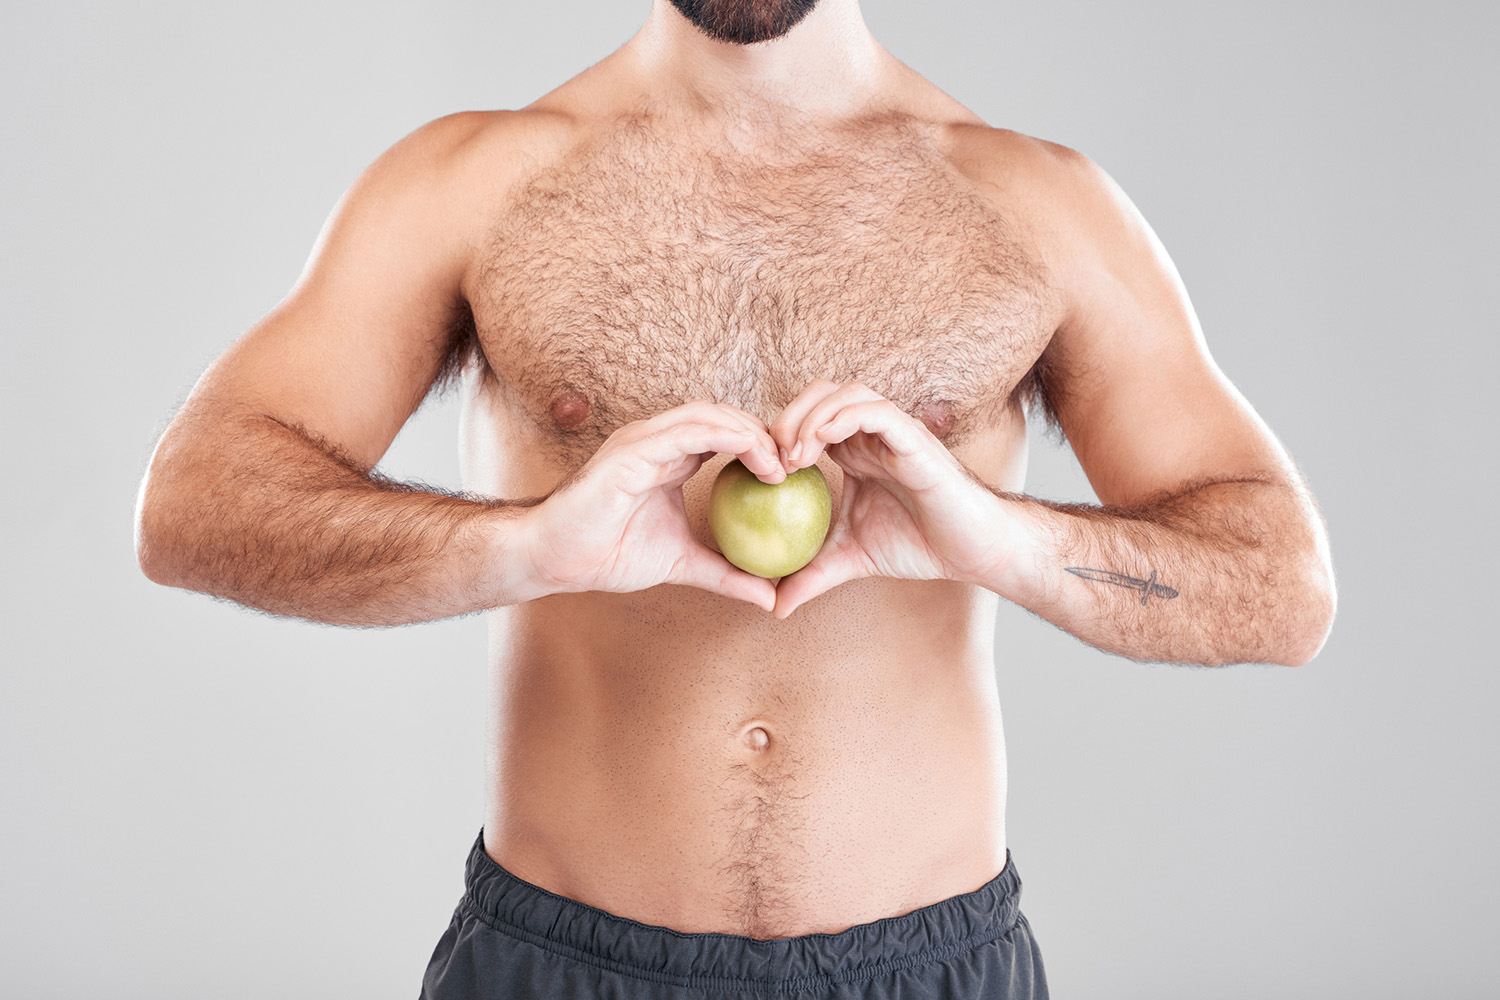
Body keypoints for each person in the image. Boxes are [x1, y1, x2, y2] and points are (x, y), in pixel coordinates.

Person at [134, 0, 1337, 996]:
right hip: (560, 959)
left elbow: (1283, 589)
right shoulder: (480, 178)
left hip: (925, 967)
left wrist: (999, 540)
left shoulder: (1037, 205)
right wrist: (530, 547)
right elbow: (195, 505)